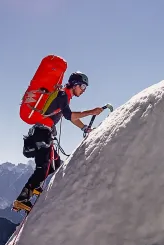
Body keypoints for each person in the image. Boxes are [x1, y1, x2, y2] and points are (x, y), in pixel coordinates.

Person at [14, 71, 103, 210]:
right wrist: (91, 112)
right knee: (43, 167)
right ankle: (22, 198)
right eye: (83, 86)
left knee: (54, 165)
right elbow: (68, 115)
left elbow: (70, 116)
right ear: (75, 85)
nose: (84, 90)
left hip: (42, 133)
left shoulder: (64, 96)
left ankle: (36, 186)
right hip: (42, 133)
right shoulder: (62, 94)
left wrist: (84, 127)